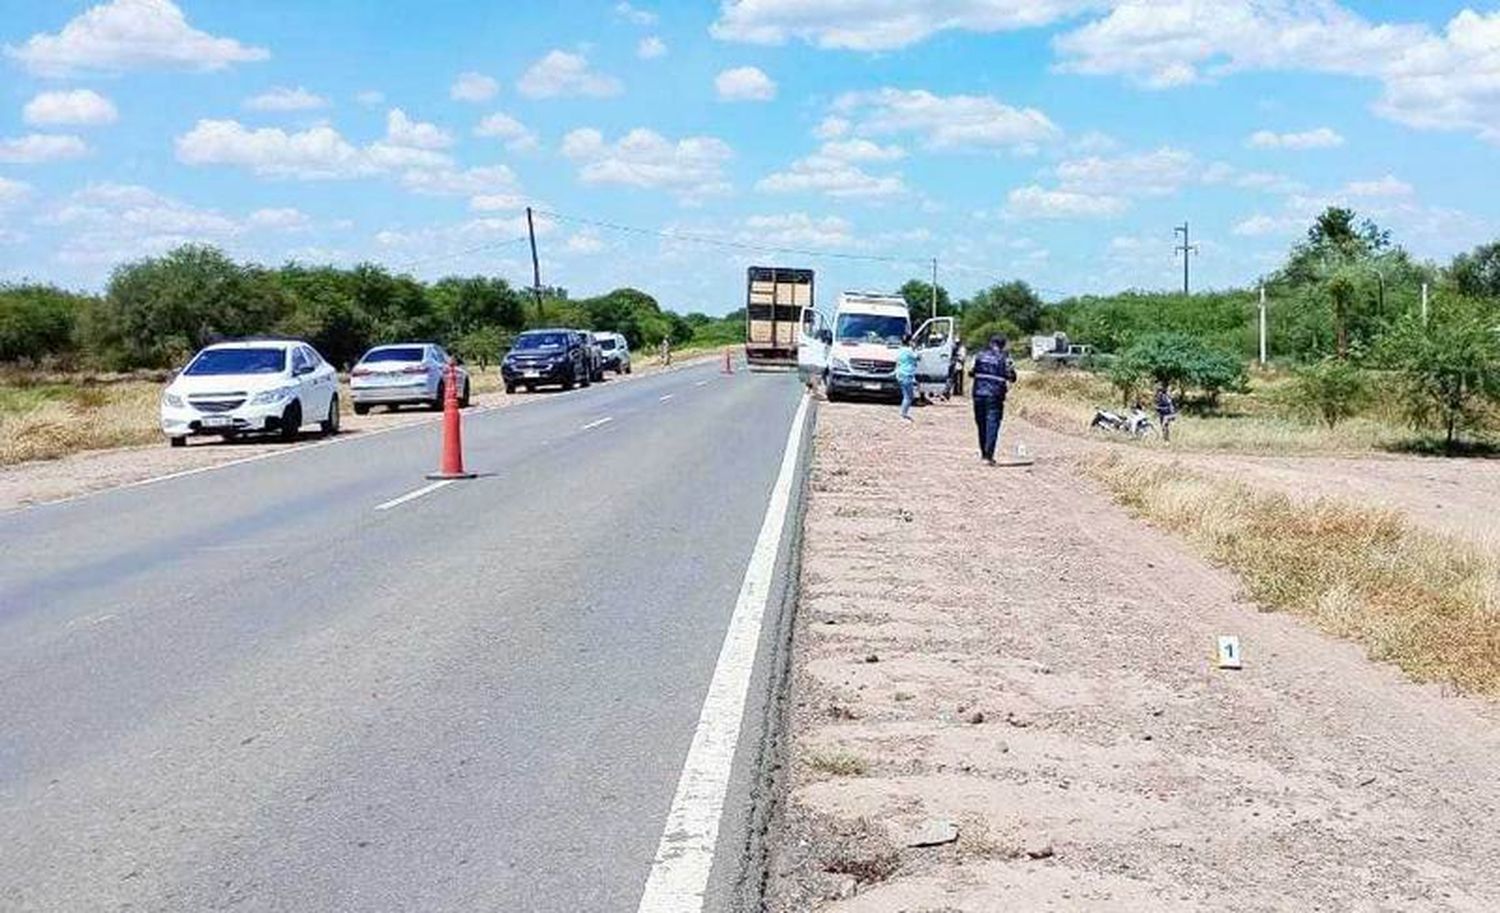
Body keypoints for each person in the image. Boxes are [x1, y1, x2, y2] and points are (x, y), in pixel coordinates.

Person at [970, 334, 1017, 464]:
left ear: (991, 343)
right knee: (992, 424)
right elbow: (1012, 377)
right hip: (995, 395)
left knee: (981, 424)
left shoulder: (979, 355)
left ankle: (983, 453)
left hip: (978, 393)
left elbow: (971, 372)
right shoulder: (1005, 358)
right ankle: (988, 456)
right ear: (1002, 345)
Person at [895, 333, 918, 421]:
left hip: (900, 374)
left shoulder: (900, 350)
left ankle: (903, 414)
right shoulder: (909, 351)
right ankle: (903, 415)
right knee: (908, 397)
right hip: (907, 374)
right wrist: (914, 348)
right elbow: (917, 357)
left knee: (906, 395)